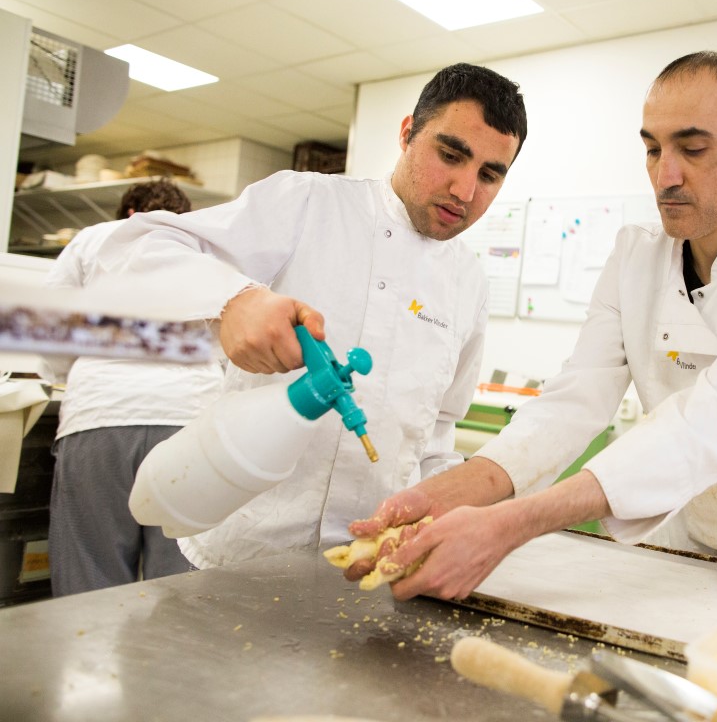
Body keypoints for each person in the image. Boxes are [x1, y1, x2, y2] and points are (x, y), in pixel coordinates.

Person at [346, 51, 717, 599]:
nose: (664, 175)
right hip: (691, 562)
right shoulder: (635, 257)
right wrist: (450, 493)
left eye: (693, 149)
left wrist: (512, 523)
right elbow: (573, 402)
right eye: (652, 149)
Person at [93, 63, 528, 570]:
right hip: (240, 551)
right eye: (450, 155)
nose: (464, 190)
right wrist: (233, 300)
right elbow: (132, 246)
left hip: (363, 562)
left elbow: (437, 431)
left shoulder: (469, 283)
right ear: (408, 133)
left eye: (490, 174)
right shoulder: (306, 204)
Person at [45, 177, 224, 595]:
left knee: (89, 577)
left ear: (128, 213)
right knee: (179, 578)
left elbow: (51, 324)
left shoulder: (93, 239)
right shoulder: (203, 246)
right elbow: (229, 342)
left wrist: (65, 378)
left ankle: (85, 659)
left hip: (100, 413)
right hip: (189, 421)